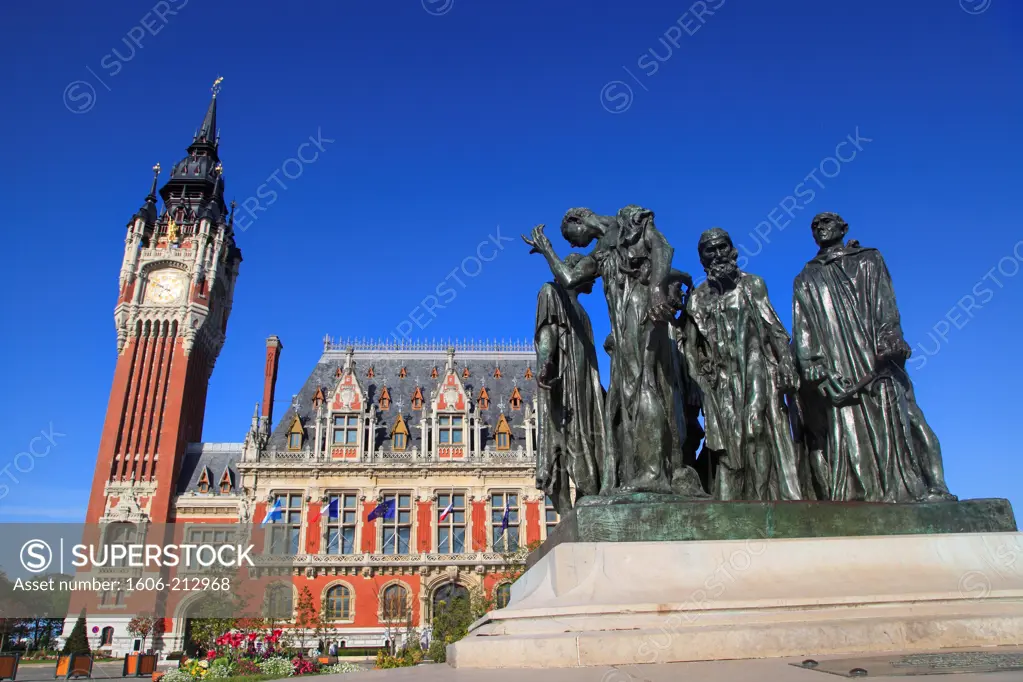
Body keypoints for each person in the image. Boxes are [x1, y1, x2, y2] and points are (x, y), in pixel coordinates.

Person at [792, 212, 955, 502]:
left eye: (826, 223)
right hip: (839, 364)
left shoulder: (868, 259)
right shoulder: (807, 276)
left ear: (843, 228)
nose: (820, 228)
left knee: (905, 419)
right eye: (814, 226)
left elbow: (885, 303)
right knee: (849, 430)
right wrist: (814, 365)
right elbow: (803, 325)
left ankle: (927, 488)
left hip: (875, 358)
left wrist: (890, 338)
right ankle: (861, 496)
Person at [683, 228, 805, 500]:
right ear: (702, 258)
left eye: (722, 247)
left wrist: (785, 361)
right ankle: (735, 501)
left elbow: (774, 328)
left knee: (755, 428)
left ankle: (761, 500)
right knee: (727, 444)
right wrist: (695, 381)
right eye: (709, 250)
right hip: (720, 380)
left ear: (732, 250)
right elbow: (690, 346)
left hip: (755, 368)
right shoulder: (697, 298)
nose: (717, 255)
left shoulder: (752, 285)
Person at [531, 252, 607, 511]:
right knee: (565, 436)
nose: (594, 278)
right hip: (564, 379)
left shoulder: (582, 312)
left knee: (587, 434)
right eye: (590, 272)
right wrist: (544, 364)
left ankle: (586, 497)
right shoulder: (551, 292)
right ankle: (570, 510)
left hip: (585, 381)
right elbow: (548, 332)